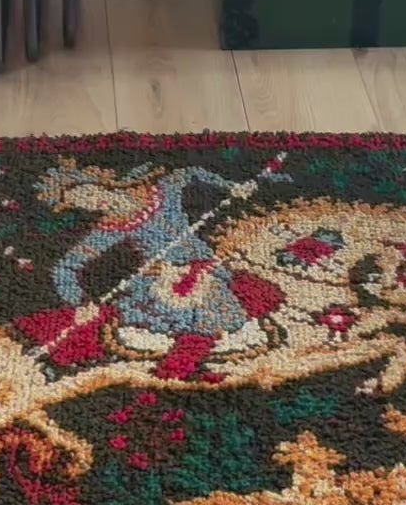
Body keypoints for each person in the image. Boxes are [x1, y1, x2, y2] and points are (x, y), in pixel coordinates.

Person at [31, 159, 281, 378]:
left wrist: (230, 186)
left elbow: (190, 173)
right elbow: (66, 267)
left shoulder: (161, 193)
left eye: (88, 193)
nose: (94, 202)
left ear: (101, 184)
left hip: (205, 263)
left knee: (232, 302)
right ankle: (177, 368)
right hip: (163, 277)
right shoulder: (108, 230)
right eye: (84, 204)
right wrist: (81, 301)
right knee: (204, 311)